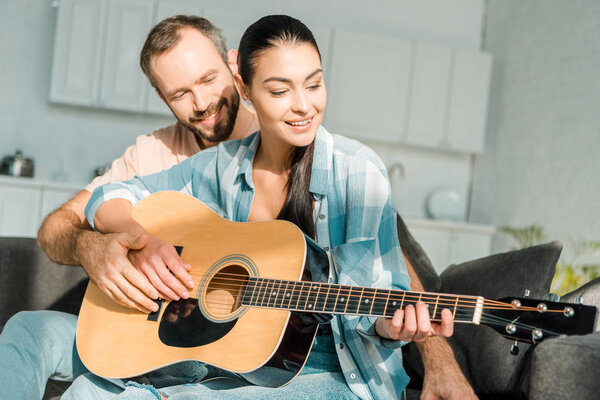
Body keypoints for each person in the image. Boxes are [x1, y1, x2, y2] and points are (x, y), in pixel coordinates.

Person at [0, 14, 476, 400]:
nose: (302, 105)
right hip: (205, 346)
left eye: (313, 84)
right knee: (49, 352)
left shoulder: (351, 170)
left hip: (327, 366)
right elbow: (100, 201)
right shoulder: (213, 166)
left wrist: (404, 331)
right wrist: (135, 243)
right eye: (180, 94)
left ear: (231, 72)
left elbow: (378, 287)